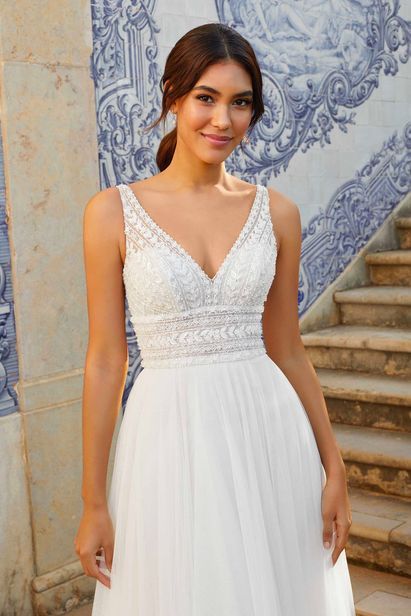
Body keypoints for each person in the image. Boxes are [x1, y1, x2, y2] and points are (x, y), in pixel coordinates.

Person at [75, 22, 356, 615]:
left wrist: (333, 466)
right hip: (168, 439)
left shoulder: (277, 213)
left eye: (240, 103)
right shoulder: (112, 213)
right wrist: (93, 502)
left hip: (269, 433)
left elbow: (287, 348)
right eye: (206, 97)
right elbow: (105, 360)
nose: (222, 120)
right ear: (173, 95)